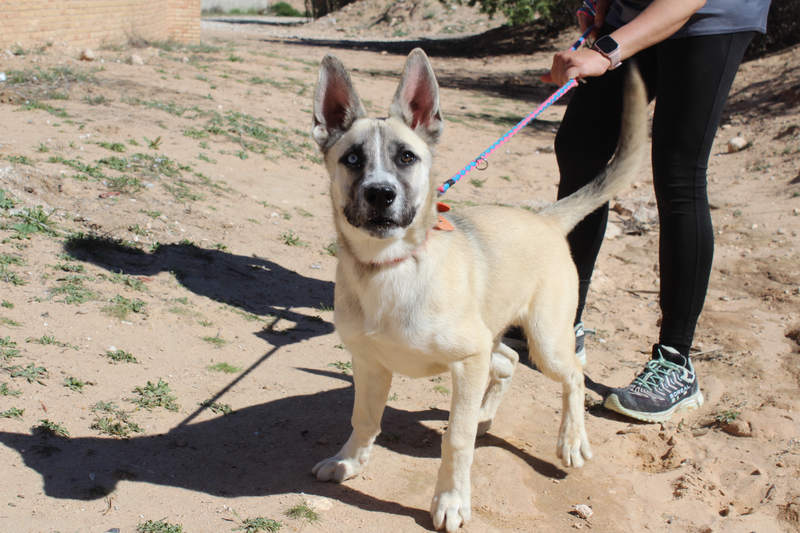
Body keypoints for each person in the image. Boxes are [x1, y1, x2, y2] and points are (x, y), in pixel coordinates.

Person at [542, 0, 771, 422]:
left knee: (678, 173)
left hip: (711, 18)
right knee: (579, 147)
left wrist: (606, 51)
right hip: (635, 13)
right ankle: (560, 321)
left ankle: (675, 362)